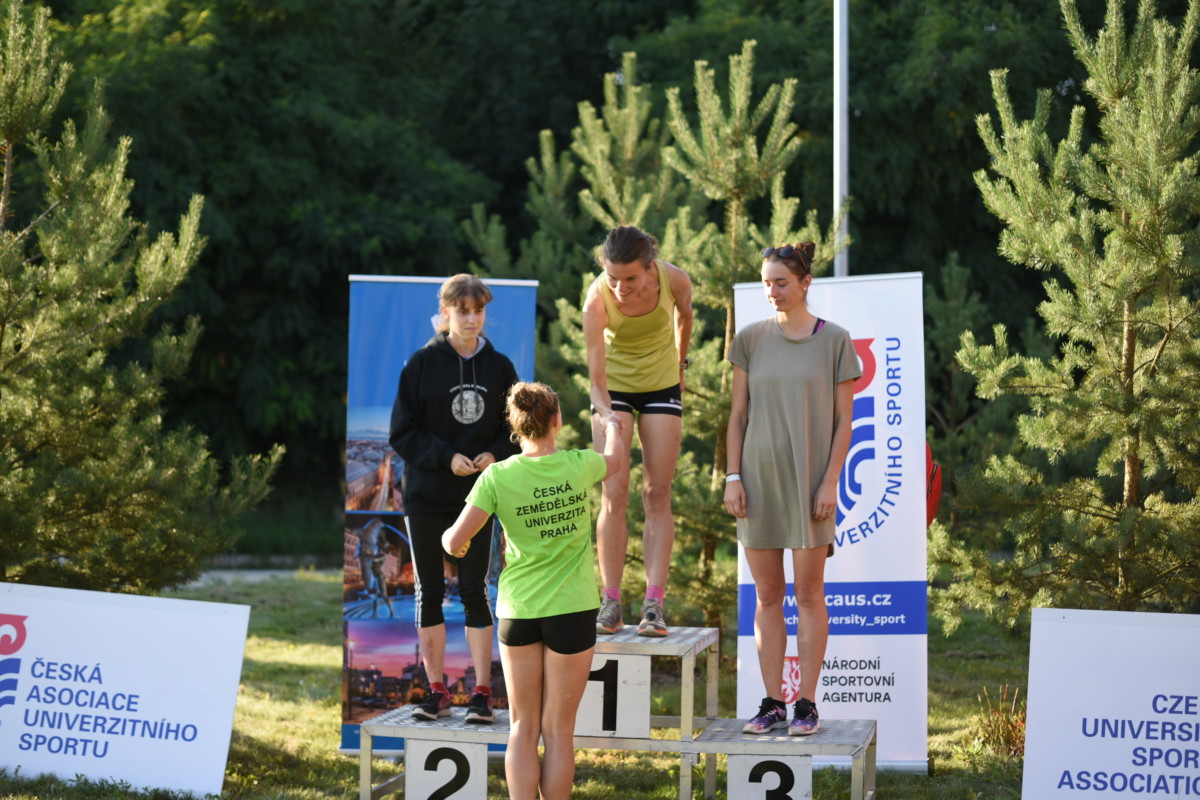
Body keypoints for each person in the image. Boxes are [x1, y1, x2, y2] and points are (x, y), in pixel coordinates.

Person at [442, 382, 624, 800]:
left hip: (519, 611)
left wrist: (457, 543)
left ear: (515, 425)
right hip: (573, 609)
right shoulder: (579, 464)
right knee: (558, 731)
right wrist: (612, 425)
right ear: (556, 421)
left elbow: (453, 541)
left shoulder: (497, 476)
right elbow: (615, 461)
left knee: (522, 727)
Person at [724, 242, 860, 736]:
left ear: (805, 283)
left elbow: (845, 422)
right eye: (766, 283)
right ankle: (772, 702)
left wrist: (830, 481)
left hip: (810, 486)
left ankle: (807, 703)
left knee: (808, 593)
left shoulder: (836, 341)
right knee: (766, 595)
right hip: (757, 483)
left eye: (781, 282)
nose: (772, 292)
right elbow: (738, 416)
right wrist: (733, 476)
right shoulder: (750, 339)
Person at [388, 273, 519, 725]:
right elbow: (402, 433)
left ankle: (482, 692)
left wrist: (494, 454)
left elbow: (515, 430)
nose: (471, 319)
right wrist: (447, 458)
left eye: (478, 310)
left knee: (474, 590)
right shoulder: (421, 364)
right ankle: (437, 690)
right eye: (462, 311)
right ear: (445, 313)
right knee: (427, 590)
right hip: (426, 495)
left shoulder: (500, 367)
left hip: (479, 498)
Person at [582, 225, 693, 637]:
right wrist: (606, 415)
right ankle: (610, 602)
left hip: (661, 385)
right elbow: (595, 382)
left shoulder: (675, 280)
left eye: (630, 278)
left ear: (650, 267)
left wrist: (680, 365)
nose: (621, 287)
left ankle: (653, 605)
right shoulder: (596, 300)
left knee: (656, 492)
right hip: (613, 391)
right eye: (613, 277)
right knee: (613, 493)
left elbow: (685, 315)